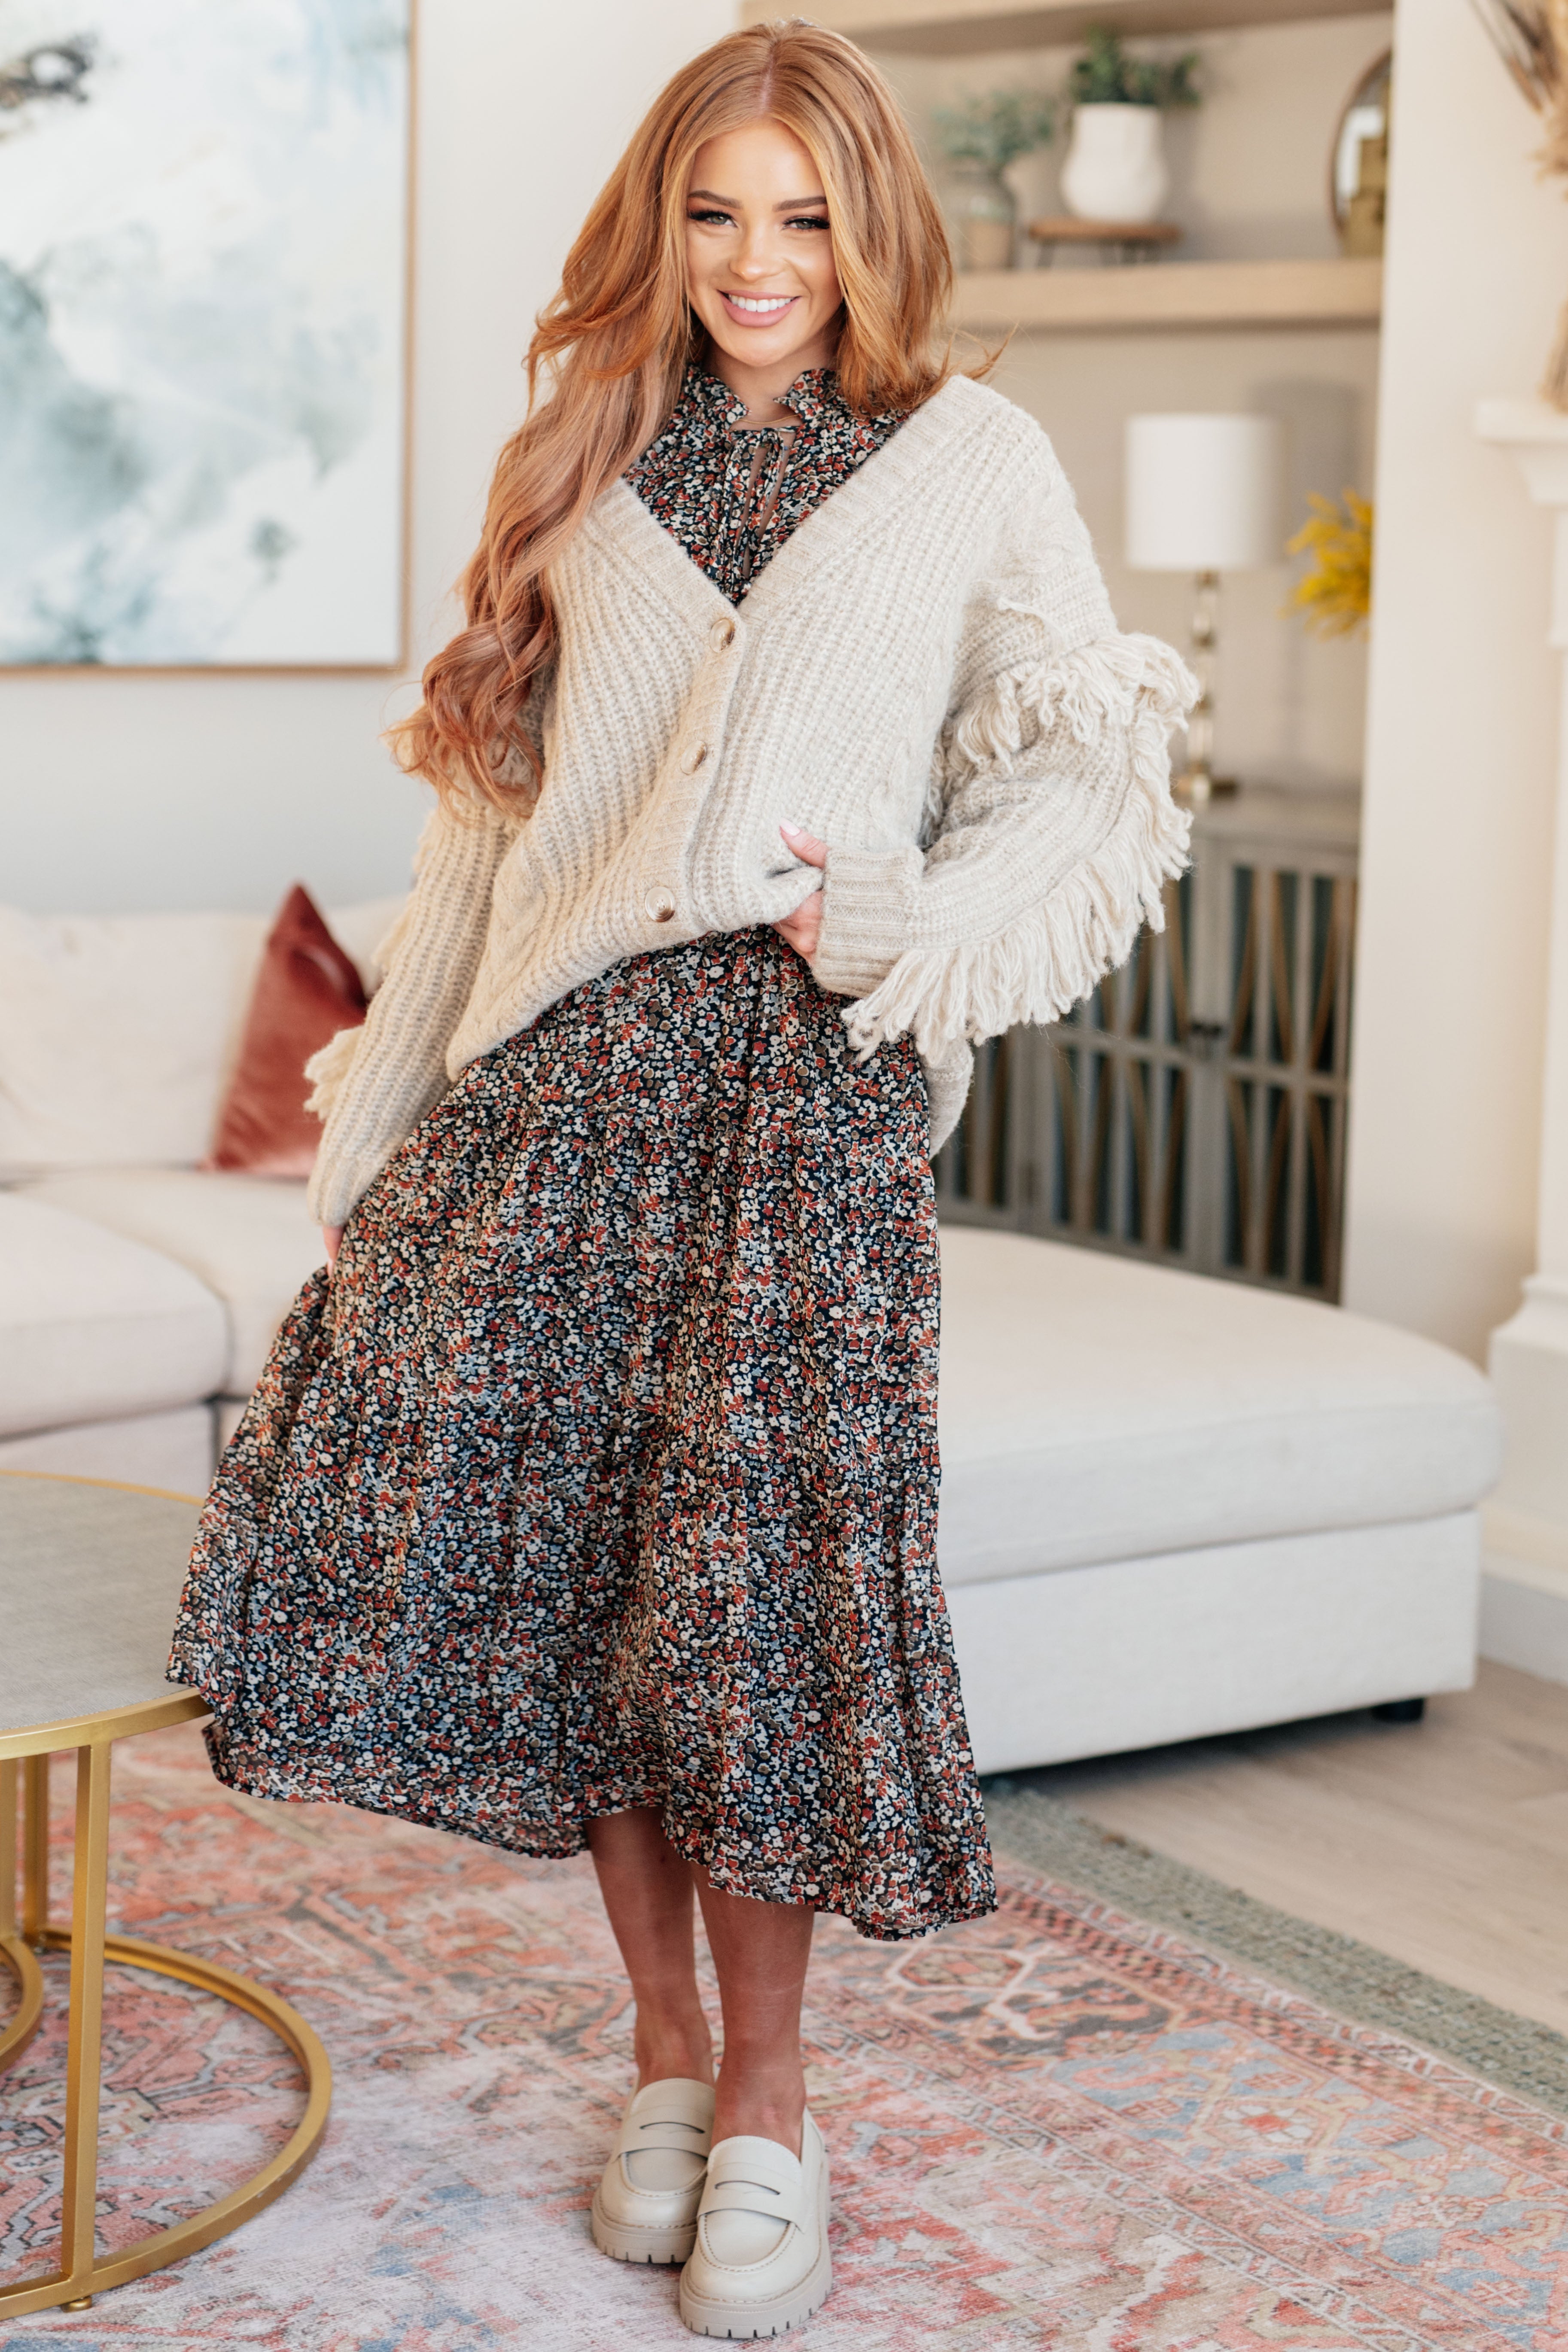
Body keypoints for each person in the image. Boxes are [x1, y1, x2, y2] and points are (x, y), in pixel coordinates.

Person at [170, 18, 1192, 2339]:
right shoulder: (579, 451)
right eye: (715, 213)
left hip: (796, 1106)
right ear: (664, 223)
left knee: (756, 1624)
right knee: (595, 1616)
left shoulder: (964, 458)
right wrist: (375, 1121)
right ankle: (653, 2055)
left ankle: (768, 2102)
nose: (758, 263)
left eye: (804, 218)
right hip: (552, 1104)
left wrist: (914, 925)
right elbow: (475, 835)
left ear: (870, 230)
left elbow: (1089, 748)